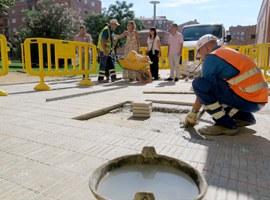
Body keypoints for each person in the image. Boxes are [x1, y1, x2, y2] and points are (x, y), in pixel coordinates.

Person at [183, 34, 268, 135]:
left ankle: (226, 125)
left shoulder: (212, 57)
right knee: (216, 89)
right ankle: (245, 118)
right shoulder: (226, 52)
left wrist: (194, 112)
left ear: (205, 49)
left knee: (198, 84)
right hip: (258, 100)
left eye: (200, 54)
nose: (202, 58)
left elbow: (203, 88)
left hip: (249, 100)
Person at [97, 19, 119, 83]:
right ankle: (100, 79)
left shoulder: (111, 31)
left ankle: (113, 78)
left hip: (108, 51)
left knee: (111, 64)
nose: (116, 26)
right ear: (112, 24)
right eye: (116, 25)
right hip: (104, 51)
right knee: (103, 65)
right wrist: (104, 51)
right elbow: (102, 41)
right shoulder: (106, 30)